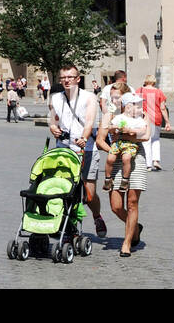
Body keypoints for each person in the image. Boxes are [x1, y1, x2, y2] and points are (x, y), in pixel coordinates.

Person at [47, 62, 106, 239]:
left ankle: (97, 216)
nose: (66, 80)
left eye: (70, 77)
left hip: (86, 149)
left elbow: (89, 121)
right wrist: (53, 128)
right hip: (64, 148)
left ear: (78, 79)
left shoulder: (89, 97)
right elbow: (52, 119)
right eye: (63, 78)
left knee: (89, 193)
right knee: (65, 189)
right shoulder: (56, 98)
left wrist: (85, 137)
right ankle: (69, 227)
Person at [96, 80, 151, 257]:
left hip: (136, 157)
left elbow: (146, 136)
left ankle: (126, 243)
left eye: (117, 97)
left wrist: (126, 136)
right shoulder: (109, 114)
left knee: (132, 202)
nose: (114, 101)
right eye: (112, 98)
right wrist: (113, 149)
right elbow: (100, 140)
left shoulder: (140, 113)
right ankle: (135, 228)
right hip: (117, 158)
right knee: (116, 206)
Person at [104, 92, 146, 191]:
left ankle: (125, 180)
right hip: (118, 143)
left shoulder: (139, 119)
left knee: (126, 158)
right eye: (138, 106)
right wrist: (115, 128)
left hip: (130, 144)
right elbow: (109, 128)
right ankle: (108, 178)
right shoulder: (119, 117)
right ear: (128, 107)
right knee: (110, 159)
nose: (141, 109)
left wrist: (131, 130)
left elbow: (143, 130)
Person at [139, 75, 170, 171]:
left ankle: (147, 164)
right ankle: (156, 160)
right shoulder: (158, 92)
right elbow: (163, 108)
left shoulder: (139, 91)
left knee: (146, 141)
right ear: (154, 81)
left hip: (143, 118)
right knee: (155, 140)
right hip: (156, 118)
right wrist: (168, 122)